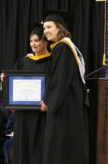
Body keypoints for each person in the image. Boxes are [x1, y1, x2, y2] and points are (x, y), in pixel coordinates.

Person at [41, 10, 89, 164]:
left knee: (60, 145)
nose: (45, 31)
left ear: (59, 28)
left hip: (63, 106)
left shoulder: (62, 48)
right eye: (44, 28)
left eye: (49, 27)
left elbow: (59, 79)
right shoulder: (65, 47)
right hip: (69, 103)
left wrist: (48, 101)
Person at [4, 23, 51, 164]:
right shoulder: (24, 61)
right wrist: (5, 80)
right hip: (23, 113)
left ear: (45, 41)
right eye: (31, 41)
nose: (33, 44)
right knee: (22, 146)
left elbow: (55, 84)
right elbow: (13, 83)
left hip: (41, 113)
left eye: (37, 40)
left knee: (38, 146)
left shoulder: (52, 60)